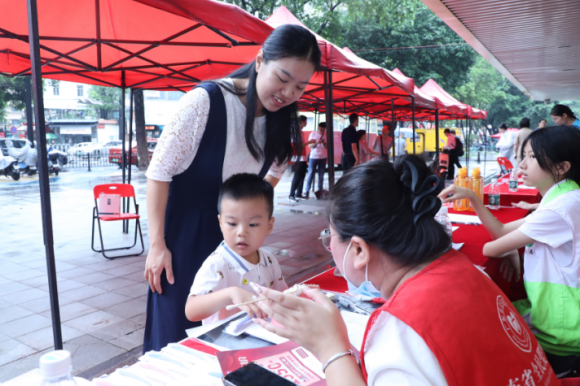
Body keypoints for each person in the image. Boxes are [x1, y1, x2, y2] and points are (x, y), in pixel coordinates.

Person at [251, 156, 558, 385]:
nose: (329, 247)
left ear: (358, 250)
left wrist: (330, 348)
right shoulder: (469, 270)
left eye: (329, 237)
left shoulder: (400, 333)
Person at [142, 24, 321, 352]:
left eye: (299, 87)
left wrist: (251, 213)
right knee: (177, 333)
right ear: (259, 61)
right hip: (183, 237)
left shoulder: (281, 120)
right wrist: (157, 245)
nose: (288, 94)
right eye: (282, 79)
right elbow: (158, 173)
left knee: (235, 331)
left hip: (233, 238)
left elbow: (275, 172)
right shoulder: (205, 102)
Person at [440, 126, 580, 377]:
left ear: (561, 167)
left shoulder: (558, 210)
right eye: (523, 154)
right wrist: (473, 197)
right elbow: (503, 233)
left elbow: (491, 247)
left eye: (532, 157)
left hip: (563, 332)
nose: (522, 163)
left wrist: (509, 250)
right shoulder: (565, 197)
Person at [186, 173, 287, 324]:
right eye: (232, 224)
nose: (241, 233)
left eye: (253, 225)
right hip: (225, 344)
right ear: (220, 222)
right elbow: (191, 311)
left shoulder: (269, 261)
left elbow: (282, 297)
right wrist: (231, 293)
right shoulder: (217, 264)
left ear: (269, 226)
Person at [289, 116, 314, 202]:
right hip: (297, 157)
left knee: (302, 176)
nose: (306, 123)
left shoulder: (301, 132)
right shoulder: (295, 132)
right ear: (302, 122)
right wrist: (309, 142)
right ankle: (291, 195)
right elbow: (298, 145)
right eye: (306, 121)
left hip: (302, 157)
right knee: (297, 176)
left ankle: (298, 194)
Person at [303, 122, 327, 197]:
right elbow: (310, 146)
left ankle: (320, 192)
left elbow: (327, 148)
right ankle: (306, 191)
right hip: (313, 157)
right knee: (310, 174)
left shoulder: (326, 135)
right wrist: (317, 142)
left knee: (321, 175)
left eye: (324, 130)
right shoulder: (313, 134)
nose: (322, 131)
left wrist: (324, 143)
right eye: (321, 129)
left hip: (323, 157)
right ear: (318, 127)